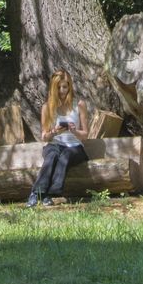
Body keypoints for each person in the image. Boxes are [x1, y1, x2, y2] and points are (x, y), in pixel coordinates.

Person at [26, 70, 89, 207]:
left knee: (65, 155)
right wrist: (54, 132)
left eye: (65, 87)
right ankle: (36, 194)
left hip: (75, 147)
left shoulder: (79, 104)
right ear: (53, 88)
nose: (62, 90)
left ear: (69, 86)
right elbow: (44, 137)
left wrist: (74, 131)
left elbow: (85, 134)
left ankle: (49, 193)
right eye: (58, 87)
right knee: (52, 156)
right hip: (54, 144)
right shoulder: (47, 107)